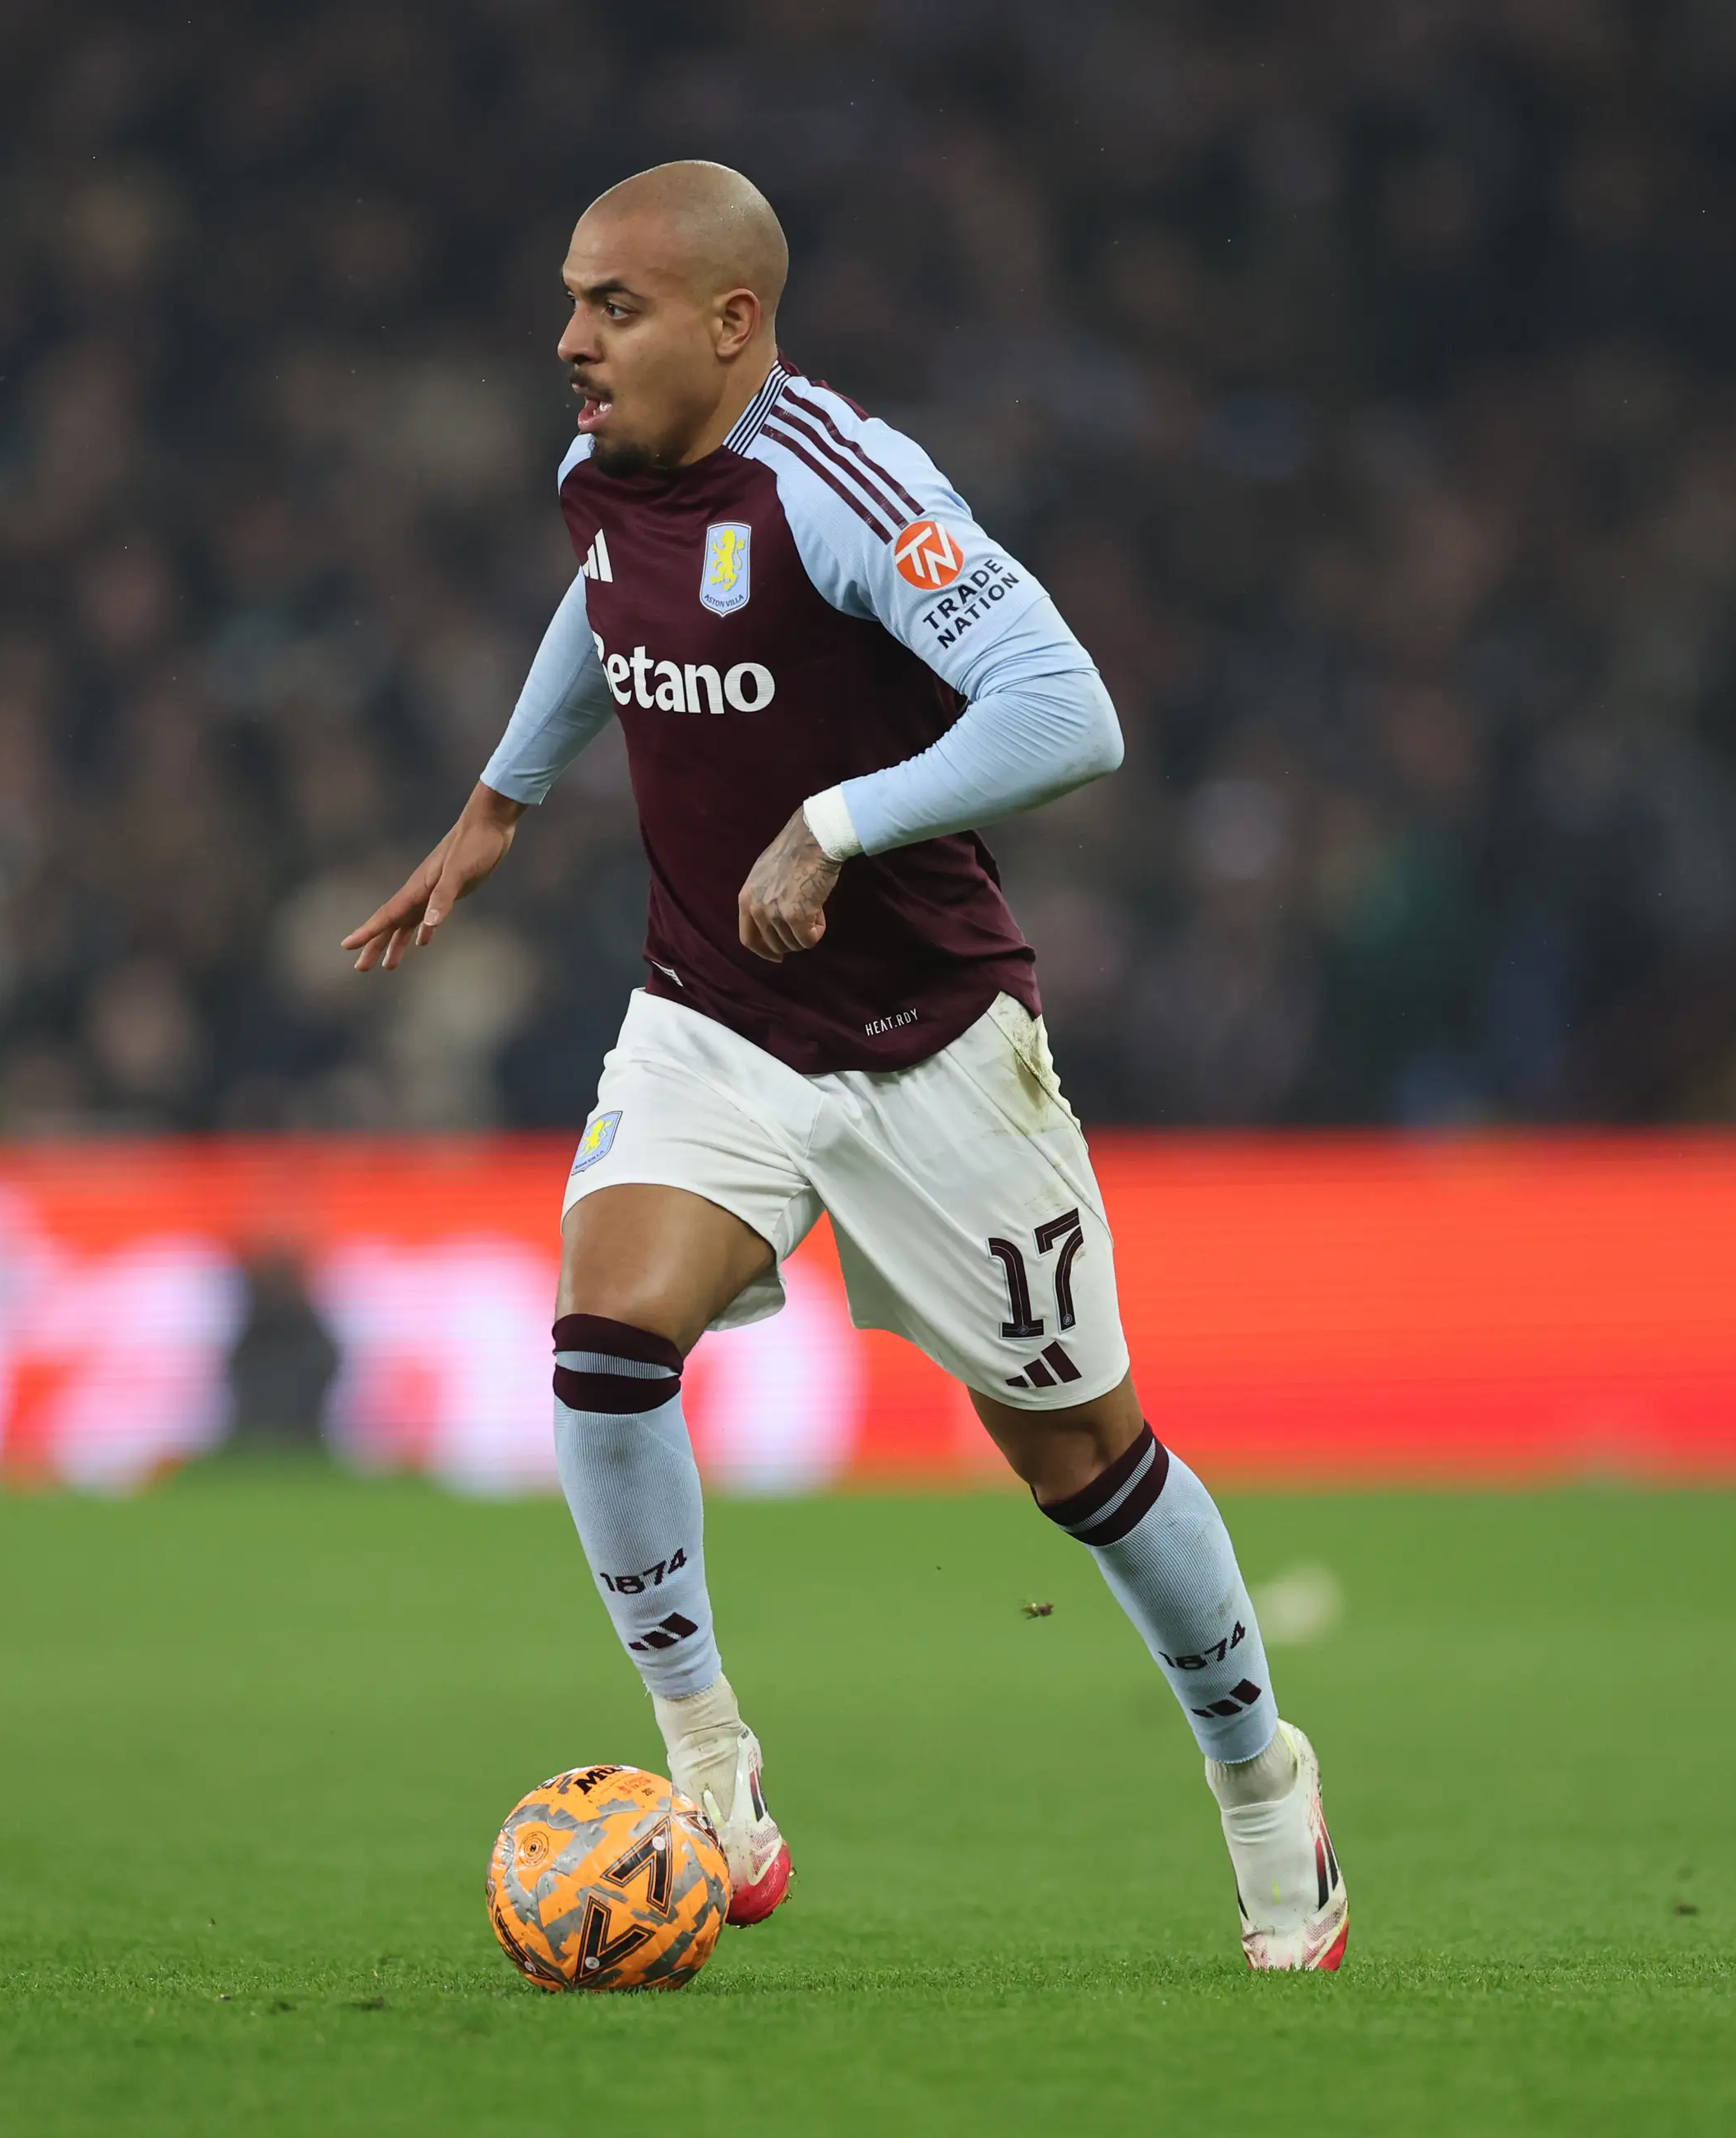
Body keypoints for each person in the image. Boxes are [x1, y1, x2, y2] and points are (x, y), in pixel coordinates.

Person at [345, 161, 1346, 1971]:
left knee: (1087, 1470)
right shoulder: (603, 473)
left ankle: (1263, 1775)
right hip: (713, 1014)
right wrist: (503, 800)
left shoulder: (846, 488)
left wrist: (837, 820)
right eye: (570, 300)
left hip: (934, 1045)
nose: (569, 341)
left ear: (735, 324)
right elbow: (601, 602)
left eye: (616, 309)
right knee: (602, 1338)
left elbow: (1072, 710)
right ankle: (709, 1764)